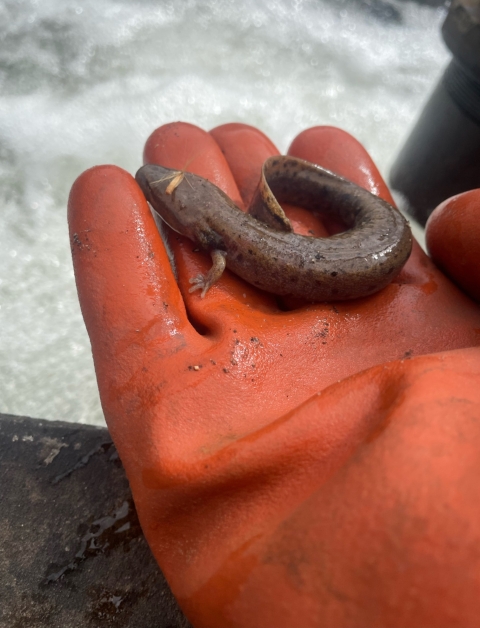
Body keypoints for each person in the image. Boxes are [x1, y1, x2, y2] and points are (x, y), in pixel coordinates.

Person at [68, 121, 480, 628]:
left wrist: (206, 279)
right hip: (372, 244)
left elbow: (217, 260)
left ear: (203, 230)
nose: (152, 187)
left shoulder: (216, 240)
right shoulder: (217, 231)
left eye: (162, 192)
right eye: (161, 192)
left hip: (377, 255)